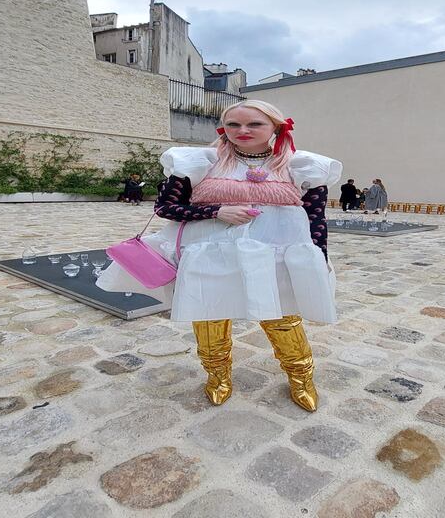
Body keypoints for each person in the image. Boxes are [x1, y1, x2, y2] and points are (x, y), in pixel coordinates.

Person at [97, 100, 342, 412]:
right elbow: (165, 208)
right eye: (234, 124)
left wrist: (319, 256)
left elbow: (315, 217)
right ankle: (217, 376)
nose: (242, 131)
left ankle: (301, 376)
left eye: (254, 124)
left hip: (275, 256)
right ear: (223, 128)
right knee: (209, 317)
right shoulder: (200, 161)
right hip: (210, 255)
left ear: (276, 127)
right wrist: (217, 210)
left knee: (283, 320)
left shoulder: (301, 166)